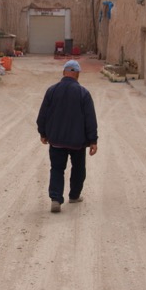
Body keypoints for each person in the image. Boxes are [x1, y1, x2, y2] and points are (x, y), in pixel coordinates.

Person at [36, 59, 98, 213]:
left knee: (57, 169)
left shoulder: (52, 91)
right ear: (77, 74)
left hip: (56, 140)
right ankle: (74, 195)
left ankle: (56, 199)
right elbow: (90, 119)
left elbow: (42, 115)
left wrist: (43, 133)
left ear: (64, 72)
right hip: (77, 142)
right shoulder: (83, 93)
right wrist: (93, 140)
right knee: (78, 169)